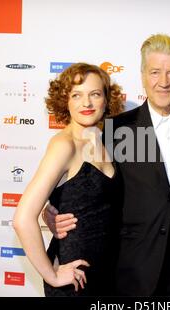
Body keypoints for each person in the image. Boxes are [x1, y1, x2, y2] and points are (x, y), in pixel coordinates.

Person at [44, 34, 170, 296]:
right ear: (142, 75)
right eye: (155, 72)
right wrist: (54, 208)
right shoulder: (116, 128)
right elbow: (91, 186)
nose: (163, 82)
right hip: (129, 271)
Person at [13, 63, 123, 296]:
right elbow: (22, 218)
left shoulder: (108, 143)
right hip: (74, 279)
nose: (87, 103)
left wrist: (50, 210)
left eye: (95, 94)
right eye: (77, 95)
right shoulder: (64, 145)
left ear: (106, 99)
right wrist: (51, 275)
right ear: (65, 100)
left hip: (108, 273)